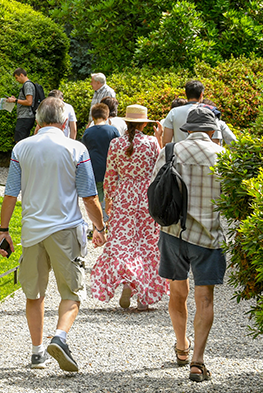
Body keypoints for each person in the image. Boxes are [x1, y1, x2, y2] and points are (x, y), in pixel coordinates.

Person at [0, 97, 107, 373]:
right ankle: (59, 337)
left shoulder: (21, 148)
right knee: (72, 292)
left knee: (34, 293)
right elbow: (89, 196)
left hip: (32, 231)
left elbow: (11, 193)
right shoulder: (75, 148)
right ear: (65, 121)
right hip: (65, 230)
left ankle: (37, 353)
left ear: (37, 121)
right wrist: (101, 227)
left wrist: (3, 230)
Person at [152, 107, 226, 383]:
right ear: (211, 131)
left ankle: (181, 346)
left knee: (176, 291)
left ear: (188, 130)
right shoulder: (223, 157)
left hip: (173, 233)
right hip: (208, 236)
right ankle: (198, 361)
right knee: (204, 298)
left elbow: (155, 187)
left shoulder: (171, 151)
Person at [90, 104, 168, 311]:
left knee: (123, 243)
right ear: (144, 123)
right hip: (146, 198)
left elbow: (110, 175)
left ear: (126, 122)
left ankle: (126, 282)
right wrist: (159, 139)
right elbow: (160, 168)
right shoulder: (151, 143)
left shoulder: (116, 143)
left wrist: (109, 201)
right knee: (146, 244)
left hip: (123, 196)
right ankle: (143, 297)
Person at [82, 103, 120, 208]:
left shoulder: (88, 132)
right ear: (107, 117)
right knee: (110, 195)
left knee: (97, 195)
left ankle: (98, 221)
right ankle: (107, 219)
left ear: (93, 117)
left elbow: (84, 149)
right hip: (110, 168)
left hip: (94, 168)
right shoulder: (113, 130)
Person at [162, 80, 219, 145]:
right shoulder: (210, 112)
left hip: (179, 153)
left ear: (186, 94)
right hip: (205, 153)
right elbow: (216, 141)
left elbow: (166, 142)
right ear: (201, 94)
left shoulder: (174, 112)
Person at [6, 68, 45, 143]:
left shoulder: (27, 85)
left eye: (16, 78)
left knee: (20, 141)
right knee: (22, 139)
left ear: (21, 75)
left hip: (26, 116)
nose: (16, 80)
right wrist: (15, 99)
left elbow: (29, 102)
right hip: (25, 116)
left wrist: (15, 100)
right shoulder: (27, 85)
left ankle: (21, 155)